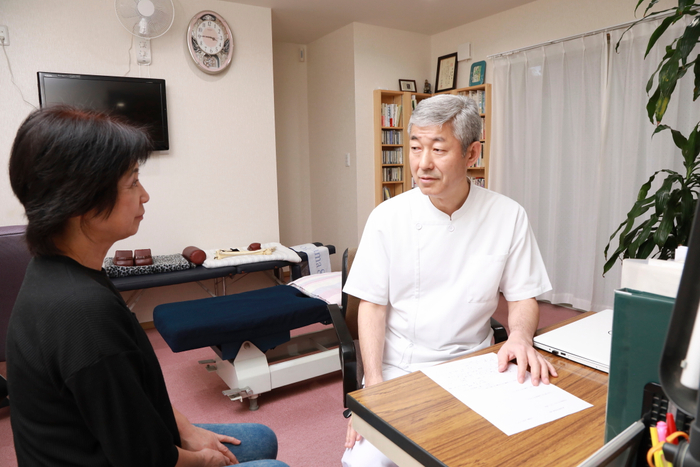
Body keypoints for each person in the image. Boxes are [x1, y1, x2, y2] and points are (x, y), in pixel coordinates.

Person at [6, 105, 288, 467]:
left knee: (261, 439)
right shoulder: (82, 313)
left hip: (116, 441)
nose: (145, 195)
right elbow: (143, 458)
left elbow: (132, 393)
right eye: (132, 182)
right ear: (81, 200)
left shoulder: (56, 268)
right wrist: (206, 461)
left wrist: (185, 429)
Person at [341, 94, 556, 466]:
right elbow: (372, 305)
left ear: (472, 154)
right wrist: (373, 384)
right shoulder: (387, 218)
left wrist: (520, 336)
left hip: (477, 363)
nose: (423, 163)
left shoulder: (508, 215)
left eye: (438, 149)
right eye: (415, 148)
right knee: (365, 463)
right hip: (401, 369)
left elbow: (522, 296)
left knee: (519, 448)